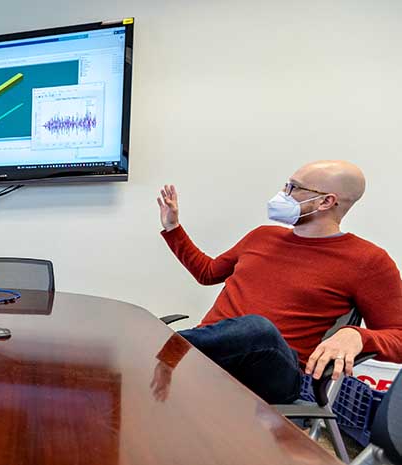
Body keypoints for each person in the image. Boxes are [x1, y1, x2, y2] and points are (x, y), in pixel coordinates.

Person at [158, 160, 402, 403]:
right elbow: (207, 273)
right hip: (215, 355)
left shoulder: (368, 261)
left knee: (257, 329)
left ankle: (158, 348)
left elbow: (399, 338)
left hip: (277, 372)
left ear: (326, 201)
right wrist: (173, 228)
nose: (283, 194)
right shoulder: (262, 236)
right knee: (245, 329)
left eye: (294, 188)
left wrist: (357, 335)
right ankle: (167, 350)